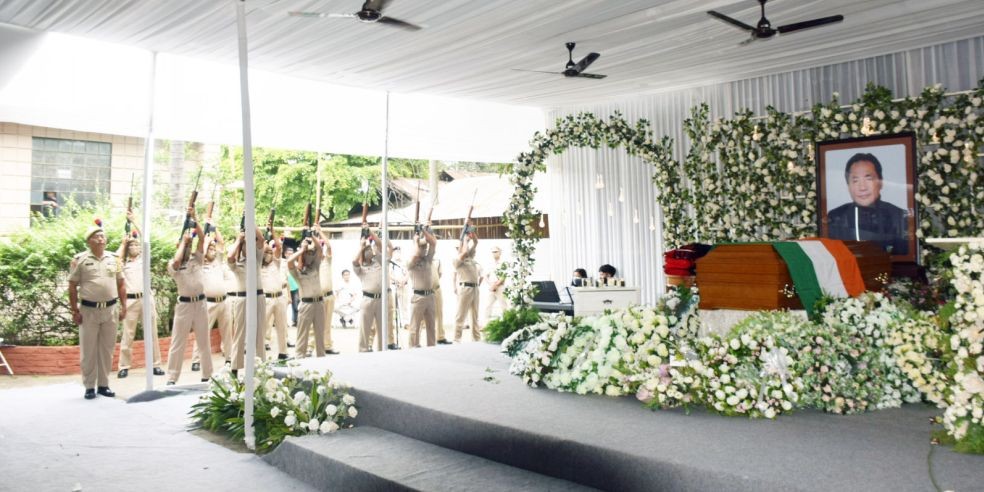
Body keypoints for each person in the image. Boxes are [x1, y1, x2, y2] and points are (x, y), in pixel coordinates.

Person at [68, 221, 125, 399]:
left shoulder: (114, 259)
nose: (101, 239)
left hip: (111, 309)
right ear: (89, 241)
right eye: (97, 237)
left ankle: (103, 385)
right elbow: (72, 285)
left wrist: (124, 306)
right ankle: (89, 387)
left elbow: (121, 283)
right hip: (89, 310)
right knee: (89, 350)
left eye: (102, 236)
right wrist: (74, 310)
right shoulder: (80, 260)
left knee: (107, 349)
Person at [827, 152, 909, 255]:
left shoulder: (899, 216)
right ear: (848, 186)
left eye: (868, 179)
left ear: (880, 182)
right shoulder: (835, 217)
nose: (862, 187)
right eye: (855, 181)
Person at [165, 207, 213, 385]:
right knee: (178, 342)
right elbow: (177, 261)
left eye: (189, 246)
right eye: (186, 246)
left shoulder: (197, 259)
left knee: (203, 341)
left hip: (200, 303)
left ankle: (207, 375)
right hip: (184, 306)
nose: (189, 248)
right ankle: (172, 378)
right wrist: (183, 243)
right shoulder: (172, 264)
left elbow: (202, 238)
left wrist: (195, 219)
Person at [115, 210, 164, 379]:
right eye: (131, 245)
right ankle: (123, 366)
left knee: (152, 332)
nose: (135, 247)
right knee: (128, 334)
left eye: (136, 245)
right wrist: (123, 243)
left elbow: (145, 238)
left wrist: (134, 220)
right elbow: (115, 260)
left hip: (146, 298)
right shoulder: (123, 263)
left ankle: (156, 364)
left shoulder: (144, 259)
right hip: (130, 301)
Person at [192, 220, 232, 371]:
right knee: (203, 331)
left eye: (214, 249)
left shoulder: (218, 261)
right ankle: (196, 359)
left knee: (227, 331)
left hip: (224, 302)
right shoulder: (199, 263)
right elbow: (200, 251)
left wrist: (214, 227)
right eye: (210, 249)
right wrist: (207, 240)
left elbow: (221, 243)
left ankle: (229, 357)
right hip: (207, 303)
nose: (213, 251)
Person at [227, 225, 267, 374]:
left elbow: (261, 239)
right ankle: (236, 367)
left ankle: (261, 366)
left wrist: (250, 223)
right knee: (240, 332)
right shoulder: (236, 264)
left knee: (260, 332)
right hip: (243, 298)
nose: (248, 247)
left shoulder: (257, 258)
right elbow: (230, 257)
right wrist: (239, 239)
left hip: (258, 296)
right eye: (245, 245)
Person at [287, 225, 327, 359]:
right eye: (308, 254)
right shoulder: (297, 272)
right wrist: (302, 250)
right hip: (306, 304)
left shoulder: (315, 266)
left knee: (320, 333)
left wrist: (312, 236)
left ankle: (321, 357)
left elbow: (320, 249)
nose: (310, 256)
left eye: (311, 254)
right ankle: (299, 357)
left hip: (319, 303)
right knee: (302, 333)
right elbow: (289, 261)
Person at [354, 230, 396, 352]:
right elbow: (354, 261)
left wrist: (370, 232)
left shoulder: (379, 262)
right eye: (366, 250)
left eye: (369, 249)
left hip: (381, 299)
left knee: (382, 327)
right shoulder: (361, 268)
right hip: (368, 299)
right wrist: (361, 247)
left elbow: (380, 245)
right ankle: (363, 350)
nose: (369, 251)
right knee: (365, 328)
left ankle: (382, 350)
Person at [407, 225, 437, 347]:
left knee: (431, 326)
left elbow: (433, 243)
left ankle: (432, 347)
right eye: (422, 247)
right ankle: (413, 348)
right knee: (415, 327)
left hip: (430, 296)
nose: (424, 249)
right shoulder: (411, 261)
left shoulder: (427, 259)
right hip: (418, 297)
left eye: (425, 247)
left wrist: (424, 230)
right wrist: (416, 242)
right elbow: (415, 255)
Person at [261, 235, 290, 360]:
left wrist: (272, 231)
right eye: (266, 252)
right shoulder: (257, 265)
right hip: (266, 299)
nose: (269, 254)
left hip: (279, 297)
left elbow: (278, 247)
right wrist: (264, 245)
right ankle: (260, 354)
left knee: (281, 326)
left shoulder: (276, 263)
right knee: (262, 327)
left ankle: (283, 352)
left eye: (270, 252)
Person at [453, 223, 482, 342]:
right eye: (459, 247)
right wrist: (465, 239)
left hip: (475, 289)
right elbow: (464, 252)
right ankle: (456, 339)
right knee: (460, 316)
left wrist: (471, 231)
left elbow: (476, 242)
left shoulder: (470, 258)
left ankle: (476, 339)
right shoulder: (457, 260)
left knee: (475, 316)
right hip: (465, 289)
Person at [318, 229, 340, 355]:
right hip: (318, 297)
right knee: (314, 324)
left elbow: (329, 246)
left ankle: (327, 345)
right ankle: (310, 346)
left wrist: (319, 231)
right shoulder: (311, 263)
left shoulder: (327, 260)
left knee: (327, 323)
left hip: (329, 296)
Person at [484, 245, 508, 321]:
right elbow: (485, 276)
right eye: (493, 252)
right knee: (488, 305)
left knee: (503, 305)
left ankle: (507, 322)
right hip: (492, 288)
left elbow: (503, 276)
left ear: (500, 252)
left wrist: (496, 285)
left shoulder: (503, 263)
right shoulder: (490, 264)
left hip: (500, 287)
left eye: (495, 252)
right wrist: (491, 284)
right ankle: (486, 323)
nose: (494, 253)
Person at [432, 259, 451, 344]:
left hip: (436, 289)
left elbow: (439, 274)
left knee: (439, 313)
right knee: (421, 317)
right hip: (423, 290)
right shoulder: (420, 259)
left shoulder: (437, 261)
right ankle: (415, 342)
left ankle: (440, 337)